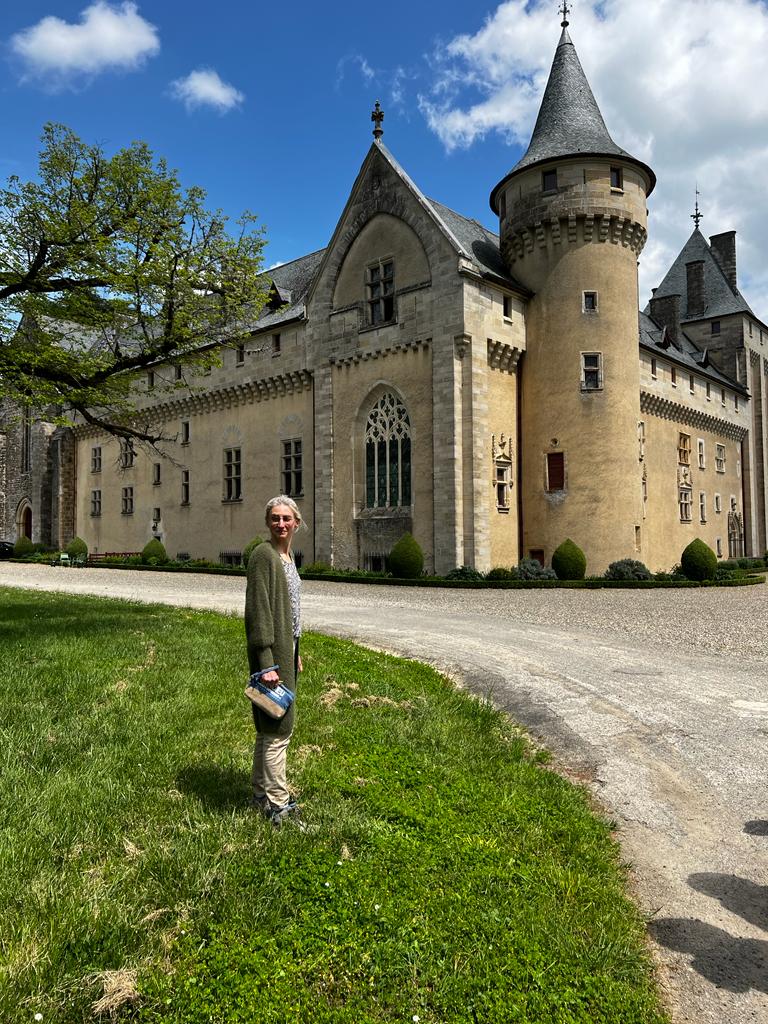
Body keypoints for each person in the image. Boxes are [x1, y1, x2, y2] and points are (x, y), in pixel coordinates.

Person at [244, 495, 303, 826]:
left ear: (296, 523)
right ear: (268, 522)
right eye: (275, 518)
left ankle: (259, 794)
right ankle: (279, 804)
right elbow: (259, 611)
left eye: (286, 518)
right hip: (271, 657)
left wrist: (295, 652)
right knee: (279, 729)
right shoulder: (263, 556)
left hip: (285, 651)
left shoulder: (287, 557)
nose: (281, 523)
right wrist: (267, 662)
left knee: (269, 725)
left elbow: (291, 611)